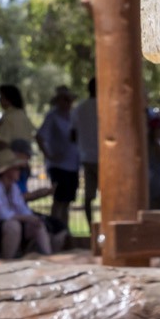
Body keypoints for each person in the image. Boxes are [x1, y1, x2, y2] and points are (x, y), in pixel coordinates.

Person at [0, 147, 51, 260]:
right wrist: (26, 218)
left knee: (36, 224)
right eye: (16, 169)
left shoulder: (13, 187)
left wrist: (32, 218)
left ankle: (48, 256)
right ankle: (8, 261)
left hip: (8, 227)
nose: (19, 172)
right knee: (13, 225)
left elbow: (22, 208)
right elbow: (2, 215)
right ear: (7, 171)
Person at [37, 88, 82, 237]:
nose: (69, 103)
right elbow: (40, 136)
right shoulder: (52, 117)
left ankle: (64, 231)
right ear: (59, 101)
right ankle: (54, 229)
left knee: (67, 201)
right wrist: (49, 156)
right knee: (59, 200)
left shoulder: (73, 116)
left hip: (73, 164)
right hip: (58, 166)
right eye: (65, 100)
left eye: (70, 100)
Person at [73, 79, 100, 229]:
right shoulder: (106, 105)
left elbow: (72, 133)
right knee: (108, 195)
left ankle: (91, 228)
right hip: (104, 158)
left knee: (89, 196)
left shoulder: (79, 109)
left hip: (86, 157)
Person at [0, 83, 35, 156]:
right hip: (24, 160)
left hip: (10, 161)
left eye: (1, 97)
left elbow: (3, 142)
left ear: (8, 99)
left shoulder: (8, 117)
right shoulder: (22, 115)